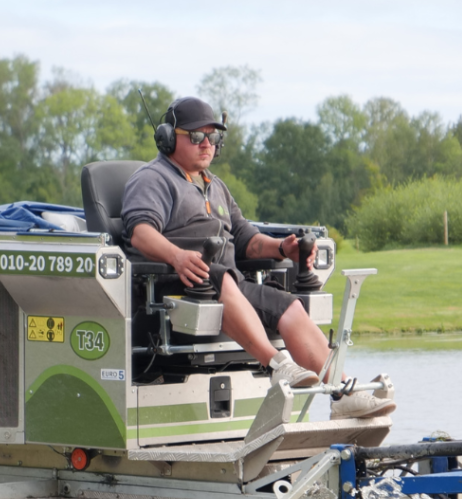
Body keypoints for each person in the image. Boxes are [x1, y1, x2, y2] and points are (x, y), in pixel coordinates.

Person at [121, 96, 395, 419]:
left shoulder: (216, 186)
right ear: (168, 138)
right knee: (221, 277)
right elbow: (140, 232)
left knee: (286, 304)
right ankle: (280, 366)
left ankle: (341, 390)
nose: (207, 144)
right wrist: (179, 257)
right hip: (177, 285)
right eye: (196, 136)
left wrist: (282, 249)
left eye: (213, 137)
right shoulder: (152, 179)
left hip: (227, 281)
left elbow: (245, 239)